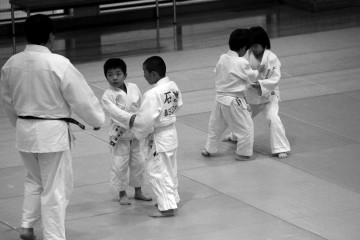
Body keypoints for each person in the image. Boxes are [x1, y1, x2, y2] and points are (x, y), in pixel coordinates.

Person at [0, 14, 105, 240]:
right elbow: (81, 98)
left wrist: (19, 124)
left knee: (34, 179)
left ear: (26, 35)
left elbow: (7, 102)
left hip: (24, 131)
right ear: (51, 36)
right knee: (55, 188)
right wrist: (97, 120)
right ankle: (54, 237)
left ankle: (27, 225)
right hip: (51, 135)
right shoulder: (58, 64)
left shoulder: (11, 64)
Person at [222, 26, 291, 159]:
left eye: (256, 46)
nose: (253, 49)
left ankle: (281, 148)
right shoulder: (250, 55)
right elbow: (246, 72)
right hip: (252, 95)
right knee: (241, 116)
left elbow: (275, 78)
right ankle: (235, 135)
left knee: (272, 117)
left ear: (264, 43)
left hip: (268, 95)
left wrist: (260, 84)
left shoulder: (272, 58)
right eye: (251, 46)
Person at [131, 56, 183, 217]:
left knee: (158, 171)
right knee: (170, 169)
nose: (144, 76)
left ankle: (167, 208)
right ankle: (171, 200)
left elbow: (144, 121)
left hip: (159, 136)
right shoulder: (172, 86)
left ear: (153, 74)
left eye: (144, 72)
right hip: (171, 132)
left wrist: (137, 131)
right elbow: (178, 104)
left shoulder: (152, 93)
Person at [201, 29, 259, 161]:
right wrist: (258, 71)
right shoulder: (241, 62)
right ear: (244, 48)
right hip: (234, 101)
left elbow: (217, 71)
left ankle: (209, 148)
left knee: (215, 126)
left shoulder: (222, 58)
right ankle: (243, 153)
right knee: (246, 127)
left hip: (220, 99)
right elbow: (251, 77)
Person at [101, 58, 152, 205]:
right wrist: (132, 118)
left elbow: (142, 106)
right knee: (119, 164)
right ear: (106, 77)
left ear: (125, 74)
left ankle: (138, 191)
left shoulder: (134, 87)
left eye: (118, 73)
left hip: (136, 132)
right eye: (110, 75)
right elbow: (114, 113)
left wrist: (145, 123)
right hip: (120, 135)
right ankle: (122, 193)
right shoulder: (107, 95)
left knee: (139, 162)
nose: (114, 77)